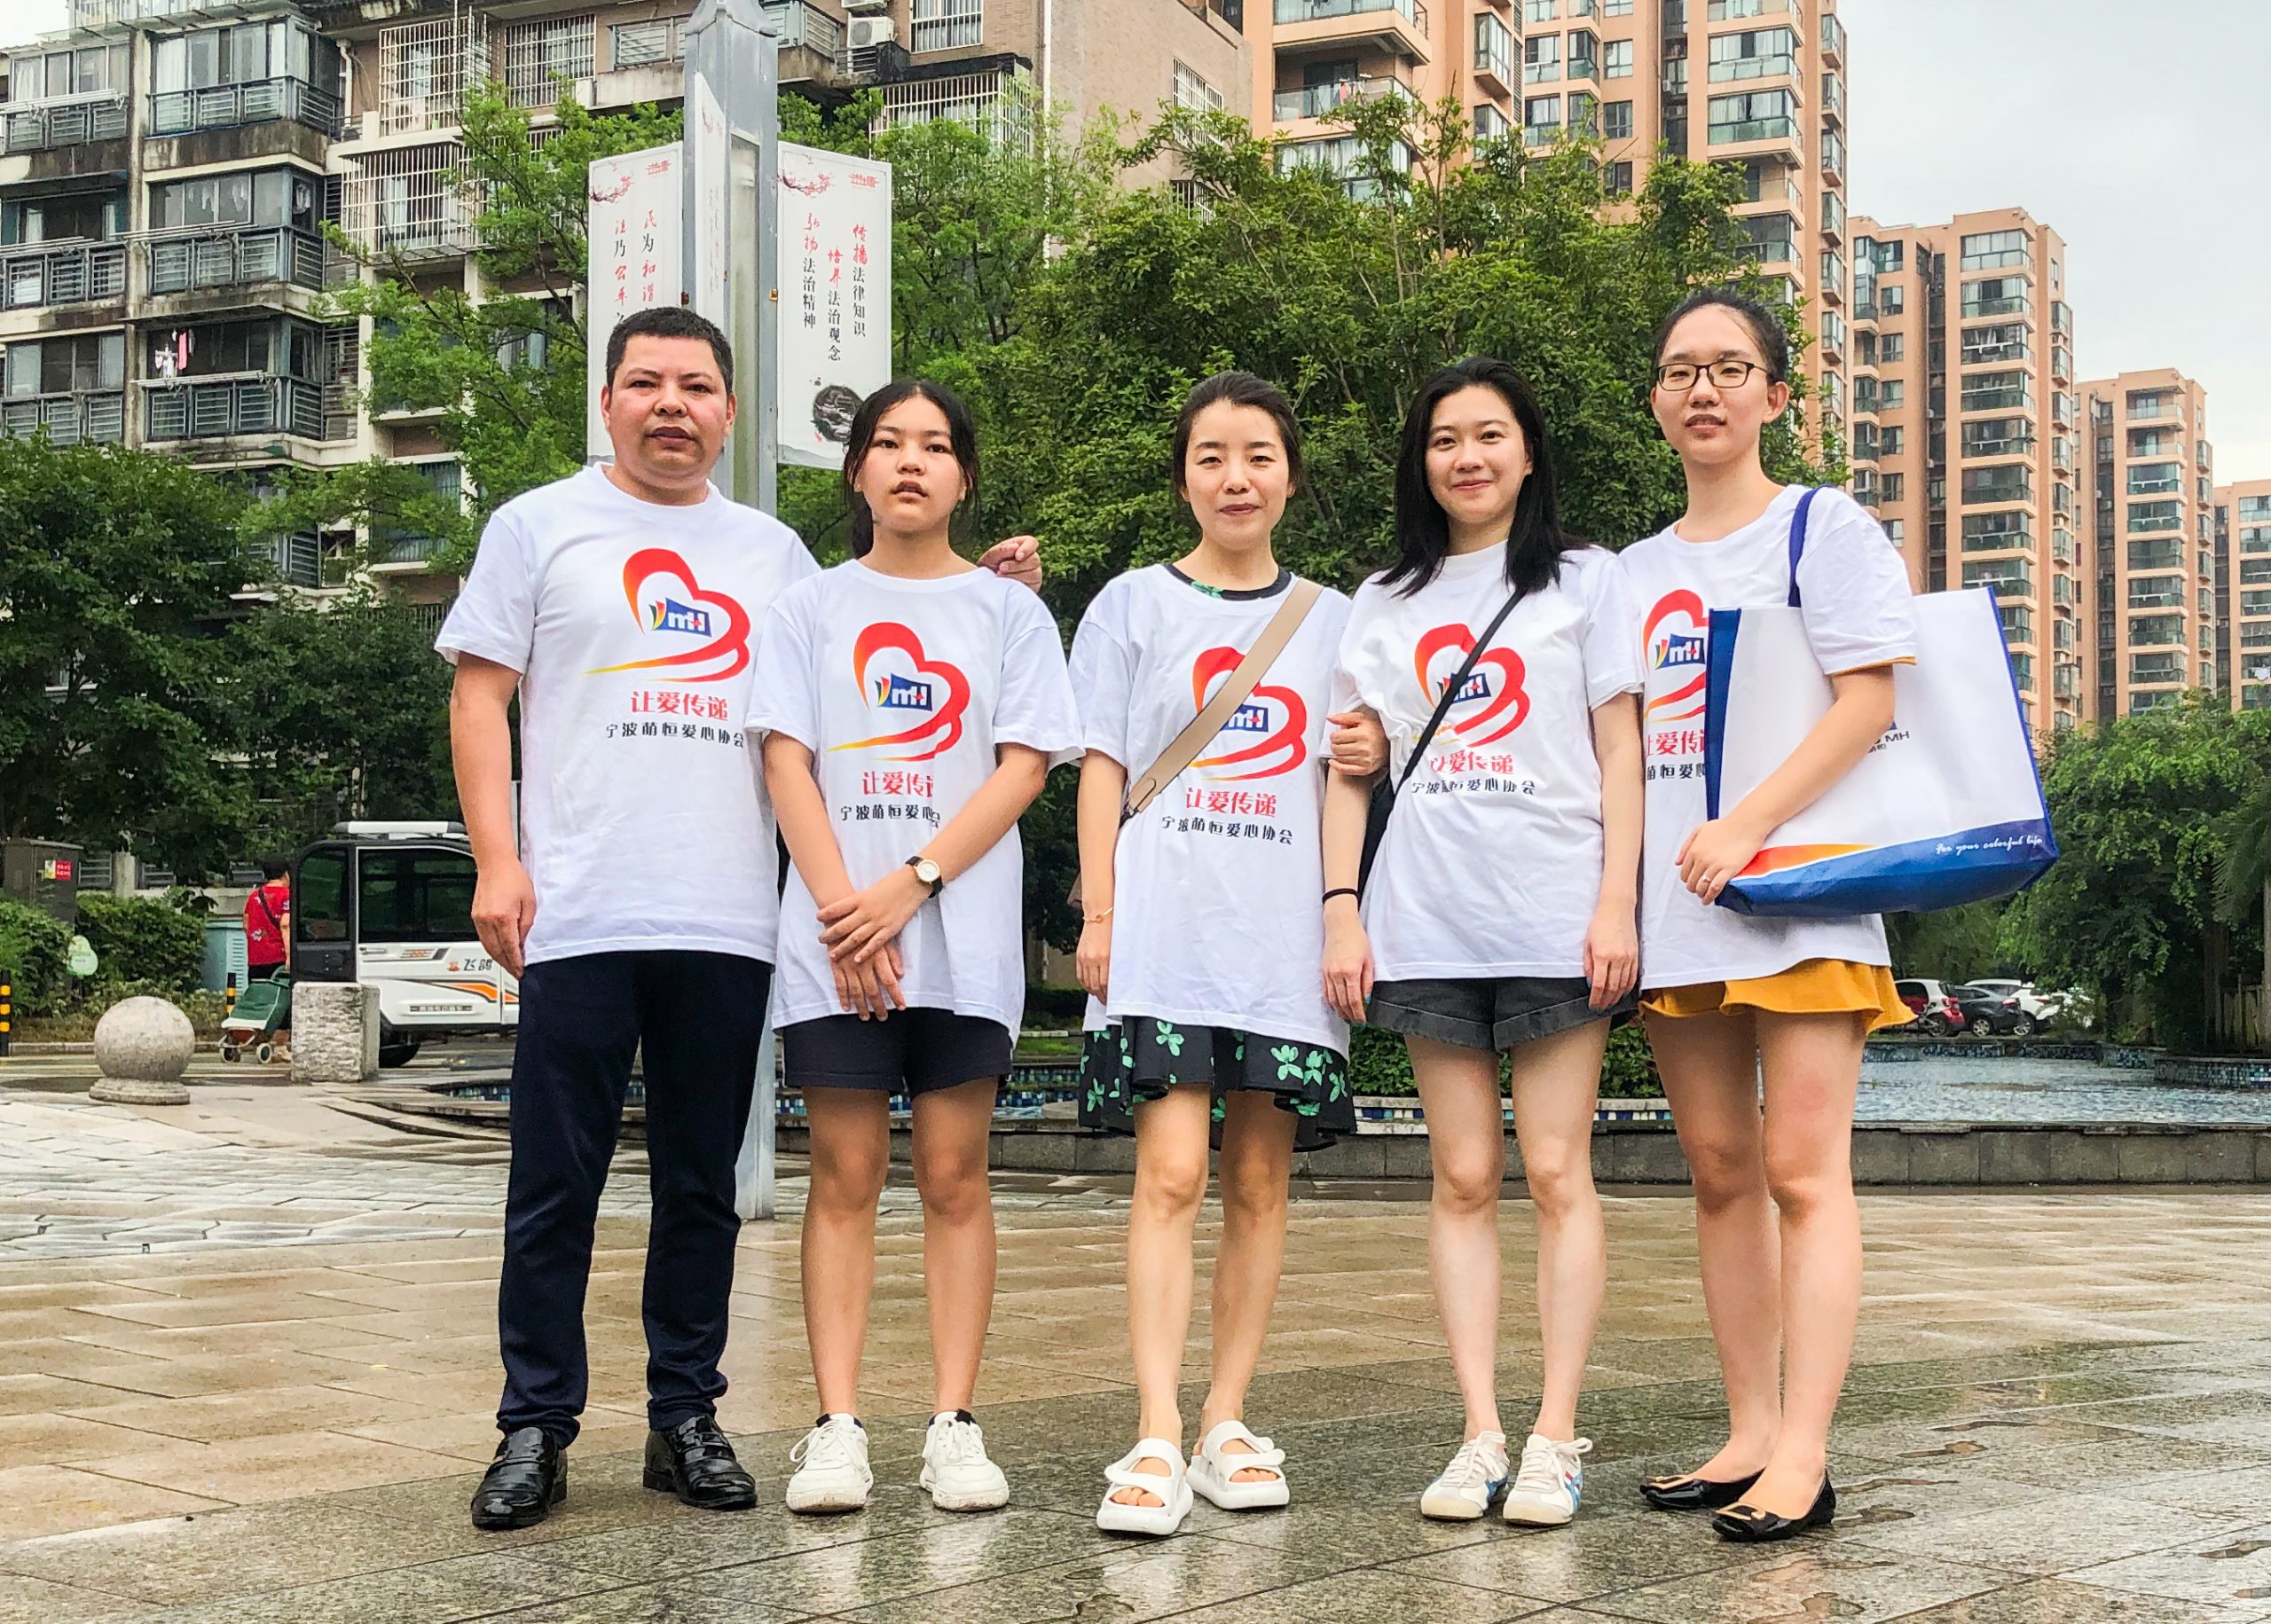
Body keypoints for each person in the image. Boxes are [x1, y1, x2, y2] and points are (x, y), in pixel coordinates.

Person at [439, 308, 1041, 1533]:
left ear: (727, 411)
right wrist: (498, 860)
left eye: (697, 386)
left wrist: (993, 585)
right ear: (608, 400)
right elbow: (479, 695)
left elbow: (895, 622)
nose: (672, 404)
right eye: (646, 382)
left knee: (702, 1183)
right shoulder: (537, 526)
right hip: (578, 907)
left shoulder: (773, 556)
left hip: (726, 919)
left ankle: (685, 1415)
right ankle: (534, 1423)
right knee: (554, 1179)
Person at [1320, 357, 1643, 1527]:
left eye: (1489, 434)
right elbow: (1347, 762)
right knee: (1460, 1176)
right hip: (1428, 914)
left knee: (1555, 1169)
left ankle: (1555, 1433)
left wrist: (1617, 901)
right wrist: (1341, 905)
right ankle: (1479, 1431)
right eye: (1444, 438)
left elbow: (1620, 750)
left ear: (1528, 452)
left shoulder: (1586, 580)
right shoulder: (1383, 598)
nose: (1466, 456)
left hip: (1555, 910)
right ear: (1421, 461)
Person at [1618, 287, 1918, 1543]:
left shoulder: (1820, 524)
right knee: (1719, 1171)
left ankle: (1805, 1450)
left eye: (1730, 367)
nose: (1703, 389)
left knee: (1802, 1170)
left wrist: (1745, 823)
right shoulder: (1631, 571)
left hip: (1804, 895)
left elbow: (1869, 699)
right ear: (1655, 400)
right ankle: (1747, 1431)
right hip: (1679, 906)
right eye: (1680, 370)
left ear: (1775, 395)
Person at [750, 380, 1080, 1516]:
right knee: (843, 1177)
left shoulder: (1009, 616)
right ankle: (837, 1426)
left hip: (961, 940)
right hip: (834, 942)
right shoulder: (808, 607)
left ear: (963, 476)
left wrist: (911, 885)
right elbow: (786, 760)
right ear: (857, 471)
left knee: (953, 1175)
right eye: (887, 443)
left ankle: (953, 1421)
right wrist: (846, 911)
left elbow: (1024, 767)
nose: (909, 462)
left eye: (934, 446)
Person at [1070, 372, 1387, 1537]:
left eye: (1258, 455)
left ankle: (1226, 1417)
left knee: (1260, 1179)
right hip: (1163, 932)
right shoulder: (1130, 606)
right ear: (1183, 478)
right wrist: (1099, 914)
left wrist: (1344, 902)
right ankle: (1156, 1427)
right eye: (1211, 456)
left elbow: (1349, 771)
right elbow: (1102, 767)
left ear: (1291, 476)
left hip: (1280, 940)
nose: (1235, 477)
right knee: (1170, 1175)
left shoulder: (1339, 619)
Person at [242, 858, 290, 982]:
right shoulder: (287, 895)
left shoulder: (254, 896)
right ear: (285, 874)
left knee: (259, 993)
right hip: (278, 960)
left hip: (256, 960)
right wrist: (289, 956)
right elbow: (285, 925)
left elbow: (246, 924)